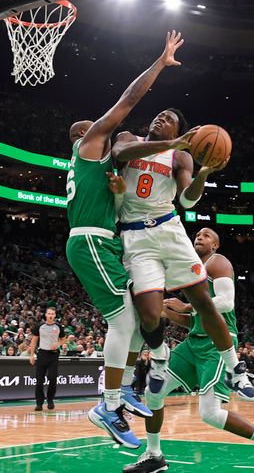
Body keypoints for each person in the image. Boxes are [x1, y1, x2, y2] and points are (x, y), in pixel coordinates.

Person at [65, 32, 185, 447]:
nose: (112, 128)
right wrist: (159, 62)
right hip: (90, 242)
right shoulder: (92, 143)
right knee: (123, 320)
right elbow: (129, 99)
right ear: (88, 135)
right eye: (100, 125)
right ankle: (108, 401)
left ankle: (121, 393)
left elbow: (110, 200)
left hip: (103, 239)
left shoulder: (98, 169)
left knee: (134, 319)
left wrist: (118, 195)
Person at [112, 106, 254, 401]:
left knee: (203, 300)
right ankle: (159, 356)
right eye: (160, 114)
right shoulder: (129, 137)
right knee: (151, 315)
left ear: (178, 133)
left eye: (169, 120)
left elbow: (188, 200)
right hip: (136, 236)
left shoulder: (181, 156)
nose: (161, 117)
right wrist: (169, 144)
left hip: (169, 229)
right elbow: (119, 155)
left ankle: (235, 368)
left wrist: (204, 172)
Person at [123, 228, 254, 473]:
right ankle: (154, 455)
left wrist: (186, 305)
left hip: (217, 345)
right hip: (194, 342)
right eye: (198, 234)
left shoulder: (218, 262)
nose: (200, 237)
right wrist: (170, 313)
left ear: (216, 245)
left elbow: (225, 302)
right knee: (152, 394)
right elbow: (196, 320)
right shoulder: (190, 270)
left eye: (207, 235)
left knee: (210, 413)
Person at [29, 307, 65, 411]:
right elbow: (34, 341)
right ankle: (39, 403)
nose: (50, 315)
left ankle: (50, 400)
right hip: (42, 354)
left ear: (54, 315)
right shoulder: (40, 326)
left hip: (53, 355)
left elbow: (63, 339)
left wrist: (58, 344)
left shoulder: (58, 326)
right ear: (45, 314)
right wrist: (31, 355)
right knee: (39, 380)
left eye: (52, 314)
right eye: (49, 313)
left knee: (52, 378)